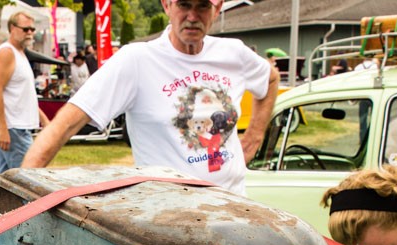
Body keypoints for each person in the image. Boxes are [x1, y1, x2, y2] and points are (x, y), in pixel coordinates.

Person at [22, 0, 278, 196]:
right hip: (168, 217)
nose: (192, 16)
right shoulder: (136, 60)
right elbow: (65, 124)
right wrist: (21, 194)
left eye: (202, 5)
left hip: (233, 205)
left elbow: (270, 78)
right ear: (167, 4)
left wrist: (253, 140)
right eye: (183, 4)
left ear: (217, 7)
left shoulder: (232, 53)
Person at [0, 11, 50, 172]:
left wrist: (44, 120)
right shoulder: (6, 53)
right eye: (25, 29)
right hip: (13, 128)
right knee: (29, 179)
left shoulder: (20, 54)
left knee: (5, 181)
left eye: (32, 29)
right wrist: (2, 129)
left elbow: (24, 96)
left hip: (16, 127)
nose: (29, 32)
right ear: (12, 28)